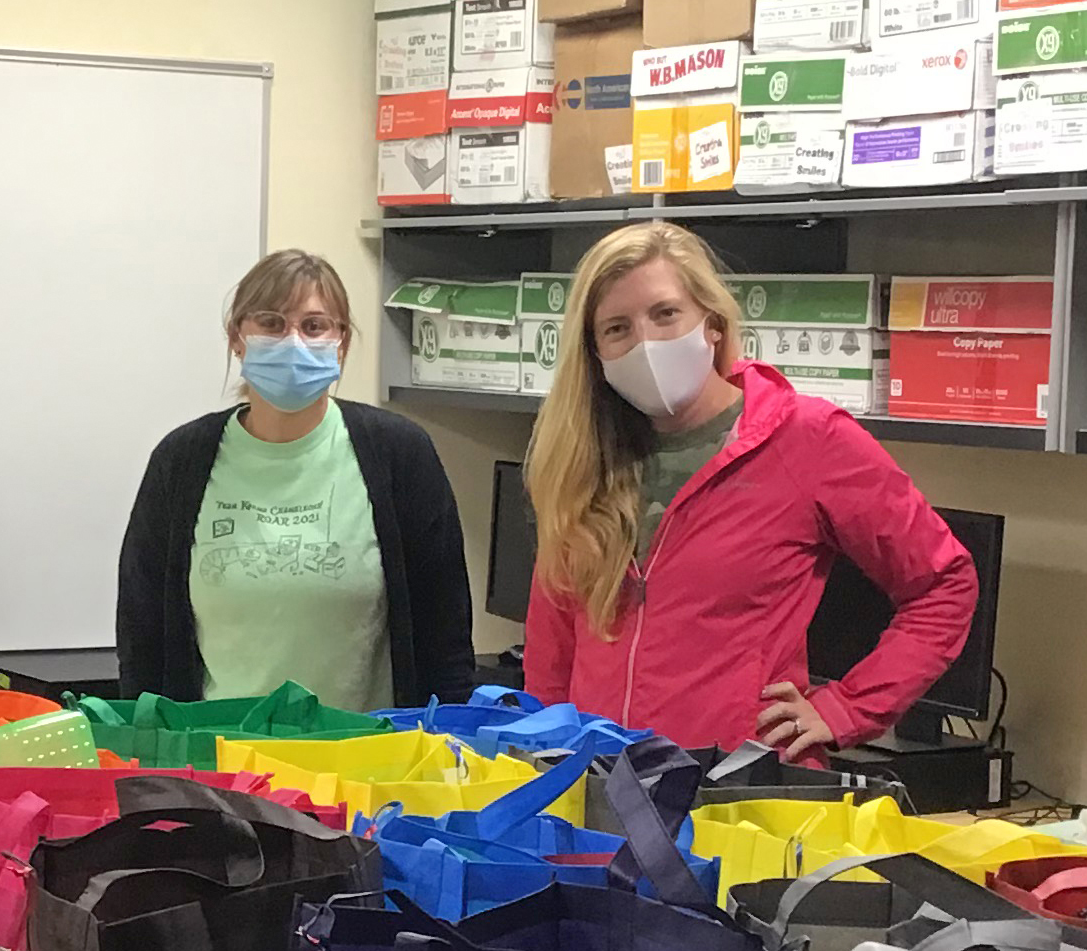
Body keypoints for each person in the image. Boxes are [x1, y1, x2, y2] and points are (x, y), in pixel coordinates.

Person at [523, 221, 975, 754]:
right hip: (599, 801)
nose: (646, 343)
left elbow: (944, 583)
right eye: (617, 329)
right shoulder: (581, 463)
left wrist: (848, 708)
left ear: (711, 323)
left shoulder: (808, 439)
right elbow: (553, 653)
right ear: (595, 353)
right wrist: (543, 762)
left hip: (736, 801)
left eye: (666, 314)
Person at [117, 250, 475, 710]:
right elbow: (142, 636)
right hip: (216, 763)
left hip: (365, 761)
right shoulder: (181, 461)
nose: (292, 342)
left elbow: (444, 636)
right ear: (236, 338)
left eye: (313, 326)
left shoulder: (399, 455)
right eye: (270, 323)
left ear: (341, 342)